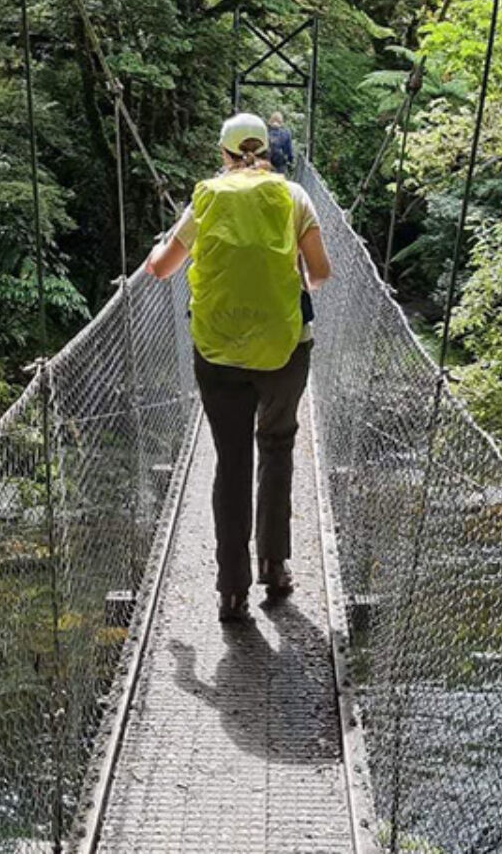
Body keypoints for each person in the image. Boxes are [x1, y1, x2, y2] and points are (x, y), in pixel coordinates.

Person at [145, 112, 331, 622]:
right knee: (277, 446)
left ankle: (232, 589)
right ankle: (275, 565)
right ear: (270, 150)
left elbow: (162, 270)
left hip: (218, 351)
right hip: (286, 347)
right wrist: (288, 286)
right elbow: (320, 273)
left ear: (223, 153)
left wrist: (157, 252)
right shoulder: (294, 196)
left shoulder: (206, 198)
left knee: (231, 462)